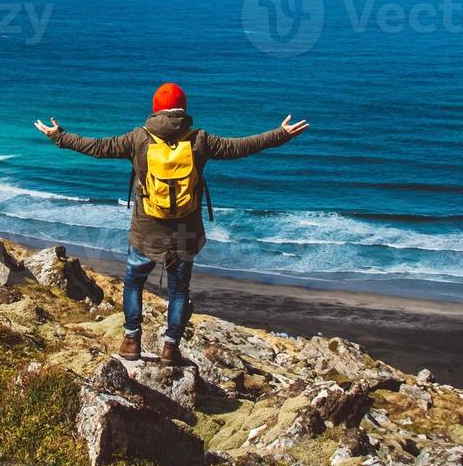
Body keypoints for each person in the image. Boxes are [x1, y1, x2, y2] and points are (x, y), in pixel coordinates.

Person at [34, 82, 308, 366]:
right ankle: (170, 348)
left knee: (133, 284)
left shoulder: (138, 138)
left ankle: (131, 341)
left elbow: (97, 147)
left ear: (155, 109)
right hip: (184, 234)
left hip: (145, 231)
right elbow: (241, 147)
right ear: (183, 109)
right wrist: (280, 135)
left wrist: (60, 137)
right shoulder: (199, 139)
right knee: (178, 291)